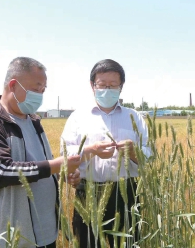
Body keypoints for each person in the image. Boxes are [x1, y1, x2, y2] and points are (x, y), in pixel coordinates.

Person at [0, 57, 81, 248]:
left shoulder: (34, 122)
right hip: (8, 238)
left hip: (45, 233)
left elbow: (42, 165)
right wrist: (56, 165)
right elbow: (0, 172)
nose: (40, 95)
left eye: (43, 90)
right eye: (36, 89)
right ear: (13, 85)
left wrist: (65, 173)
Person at [61, 59, 150, 248]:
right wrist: (90, 150)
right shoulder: (78, 117)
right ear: (92, 86)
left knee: (129, 244)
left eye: (113, 85)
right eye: (102, 85)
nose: (107, 90)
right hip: (88, 192)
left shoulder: (134, 117)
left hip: (126, 193)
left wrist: (135, 153)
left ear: (121, 87)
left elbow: (148, 155)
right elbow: (65, 154)